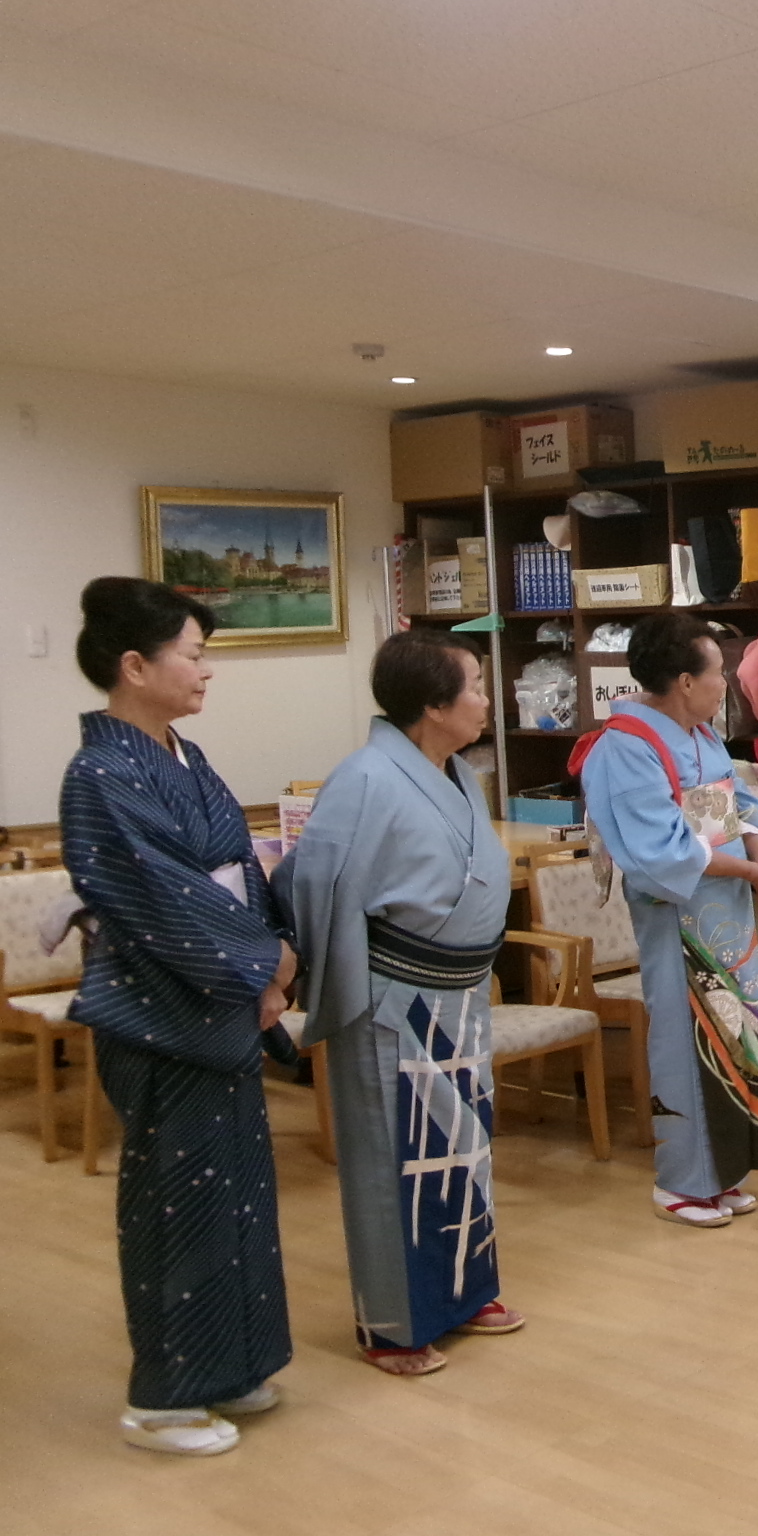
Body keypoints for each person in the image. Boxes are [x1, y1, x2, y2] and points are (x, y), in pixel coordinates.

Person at [59, 577, 296, 1456]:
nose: (206, 671)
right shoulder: (99, 774)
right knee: (177, 1204)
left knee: (237, 1194)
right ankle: (163, 1399)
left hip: (220, 1001)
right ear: (135, 666)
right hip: (159, 1011)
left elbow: (240, 864)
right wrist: (262, 966)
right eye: (193, 655)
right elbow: (162, 900)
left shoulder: (183, 757)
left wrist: (275, 955)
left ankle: (230, 1366)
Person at [284, 630, 520, 1377]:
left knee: (463, 1148)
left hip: (460, 996)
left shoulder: (460, 775)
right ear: (433, 705)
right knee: (396, 1159)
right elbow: (315, 883)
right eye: (475, 685)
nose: (486, 699)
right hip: (393, 999)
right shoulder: (365, 778)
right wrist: (331, 985)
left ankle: (464, 1292)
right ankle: (392, 1325)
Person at [572, 612, 758, 1229]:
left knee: (737, 1031)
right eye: (718, 671)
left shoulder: (700, 735)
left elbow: (738, 802)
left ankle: (725, 1173)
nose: (727, 683)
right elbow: (660, 853)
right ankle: (683, 1183)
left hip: (728, 908)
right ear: (684, 681)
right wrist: (750, 872)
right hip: (679, 913)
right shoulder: (626, 747)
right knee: (688, 1038)